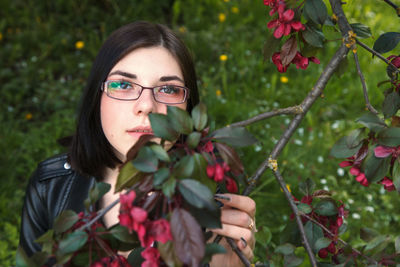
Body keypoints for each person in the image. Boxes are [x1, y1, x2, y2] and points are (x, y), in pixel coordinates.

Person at [19, 21, 256, 266]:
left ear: (188, 105)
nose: (146, 106)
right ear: (96, 96)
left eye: (167, 89)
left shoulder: (212, 186)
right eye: (123, 85)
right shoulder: (50, 186)